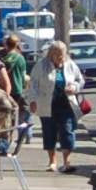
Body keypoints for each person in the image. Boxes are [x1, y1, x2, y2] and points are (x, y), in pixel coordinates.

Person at [30, 37, 82, 174]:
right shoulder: (42, 65)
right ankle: (52, 161)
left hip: (66, 105)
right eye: (56, 53)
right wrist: (32, 100)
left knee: (67, 131)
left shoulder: (70, 65)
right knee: (49, 132)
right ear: (50, 53)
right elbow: (33, 83)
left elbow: (79, 80)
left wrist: (74, 88)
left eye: (61, 53)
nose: (59, 56)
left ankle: (67, 162)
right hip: (48, 105)